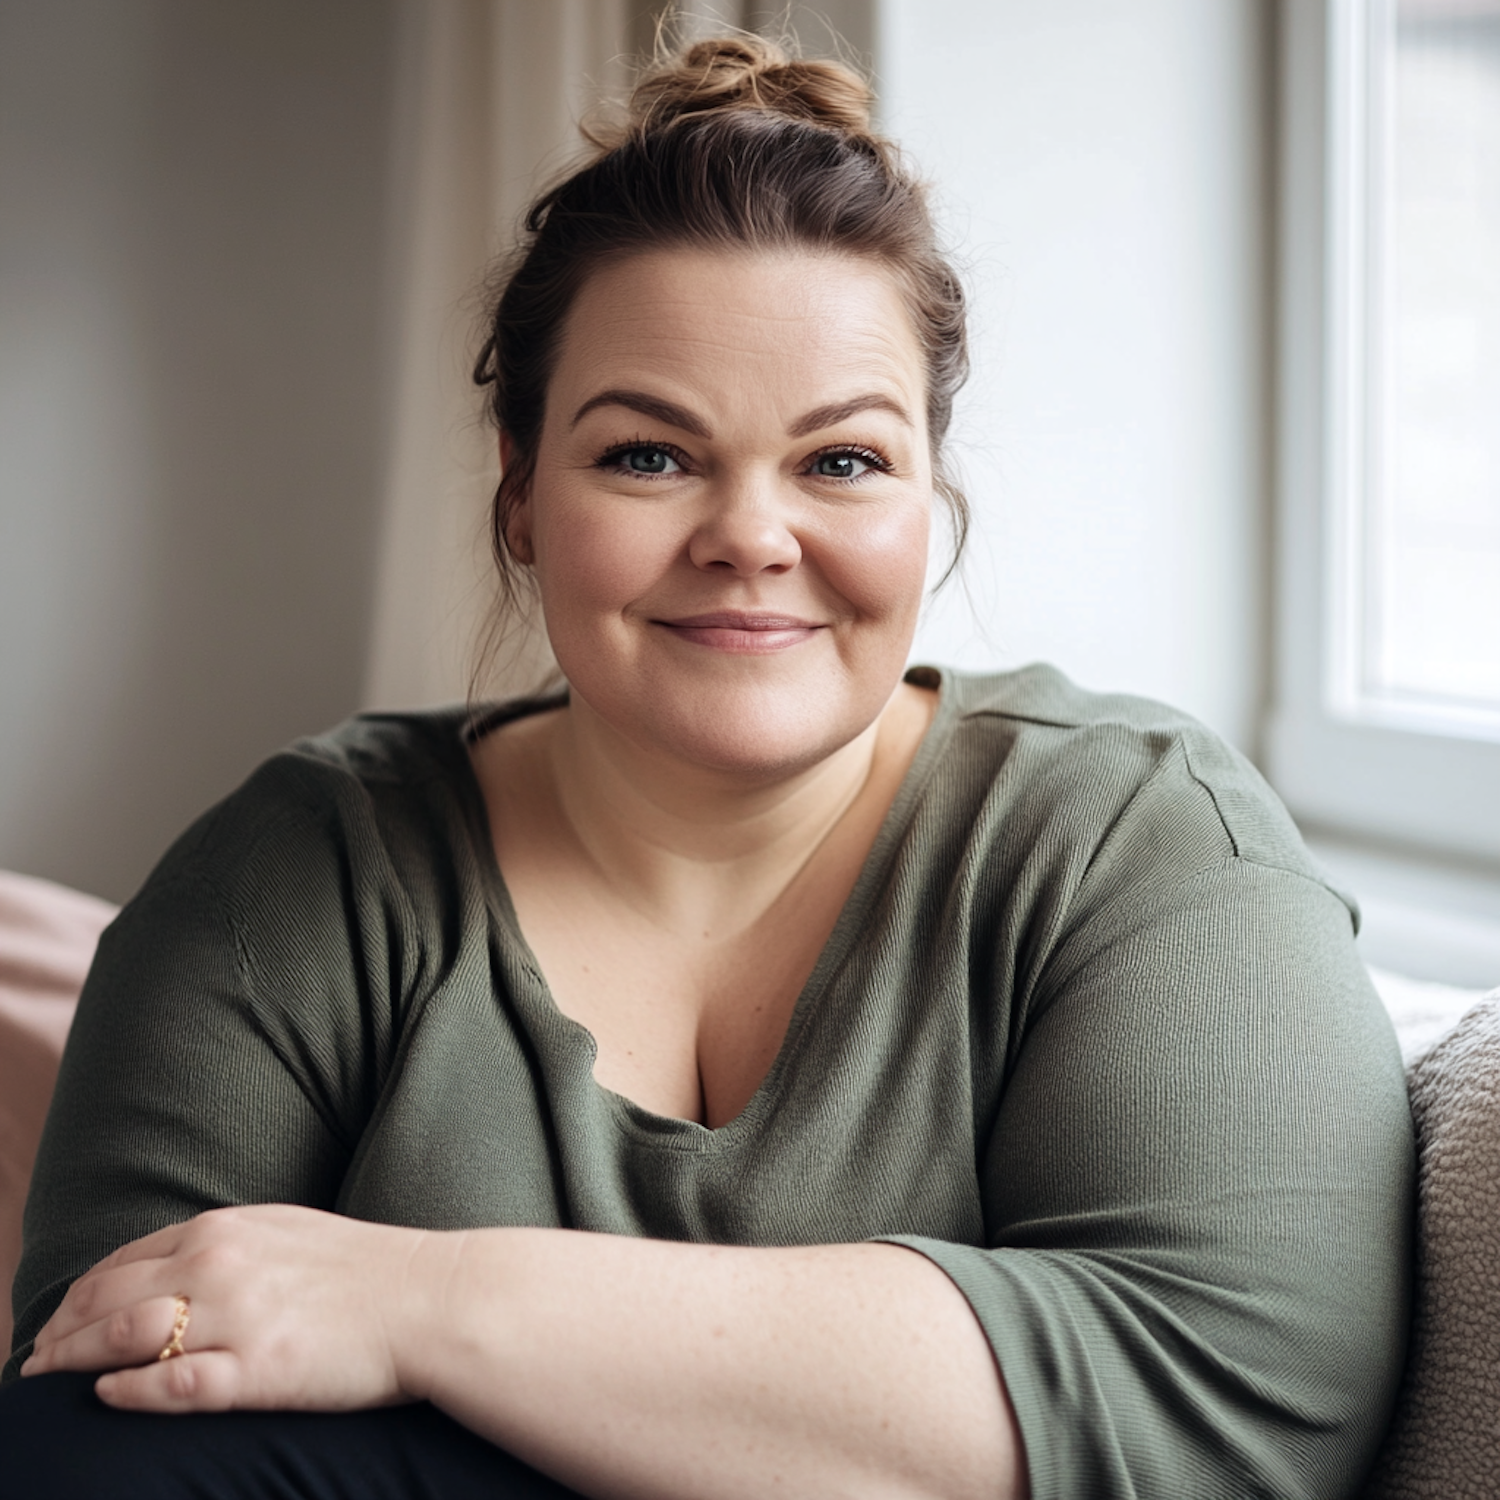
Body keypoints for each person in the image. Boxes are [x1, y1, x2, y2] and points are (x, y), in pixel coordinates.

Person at [1, 34, 1411, 1500]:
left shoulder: (1134, 840)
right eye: (649, 457)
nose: (751, 534)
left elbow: (1234, 1393)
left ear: (934, 494)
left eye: (842, 462)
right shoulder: (292, 875)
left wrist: (415, 1307)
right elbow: (106, 1397)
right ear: (522, 494)